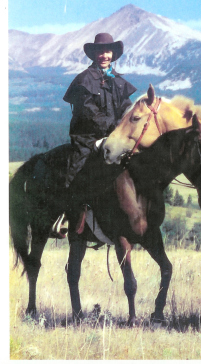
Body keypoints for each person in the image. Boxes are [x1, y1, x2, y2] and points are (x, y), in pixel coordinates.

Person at [52, 33, 137, 236]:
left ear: (113, 54)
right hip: (87, 136)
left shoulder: (118, 81)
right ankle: (62, 215)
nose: (104, 55)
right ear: (94, 54)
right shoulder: (84, 80)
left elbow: (125, 108)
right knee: (78, 168)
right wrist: (112, 128)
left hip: (114, 135)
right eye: (100, 51)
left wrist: (125, 127)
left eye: (107, 51)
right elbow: (88, 110)